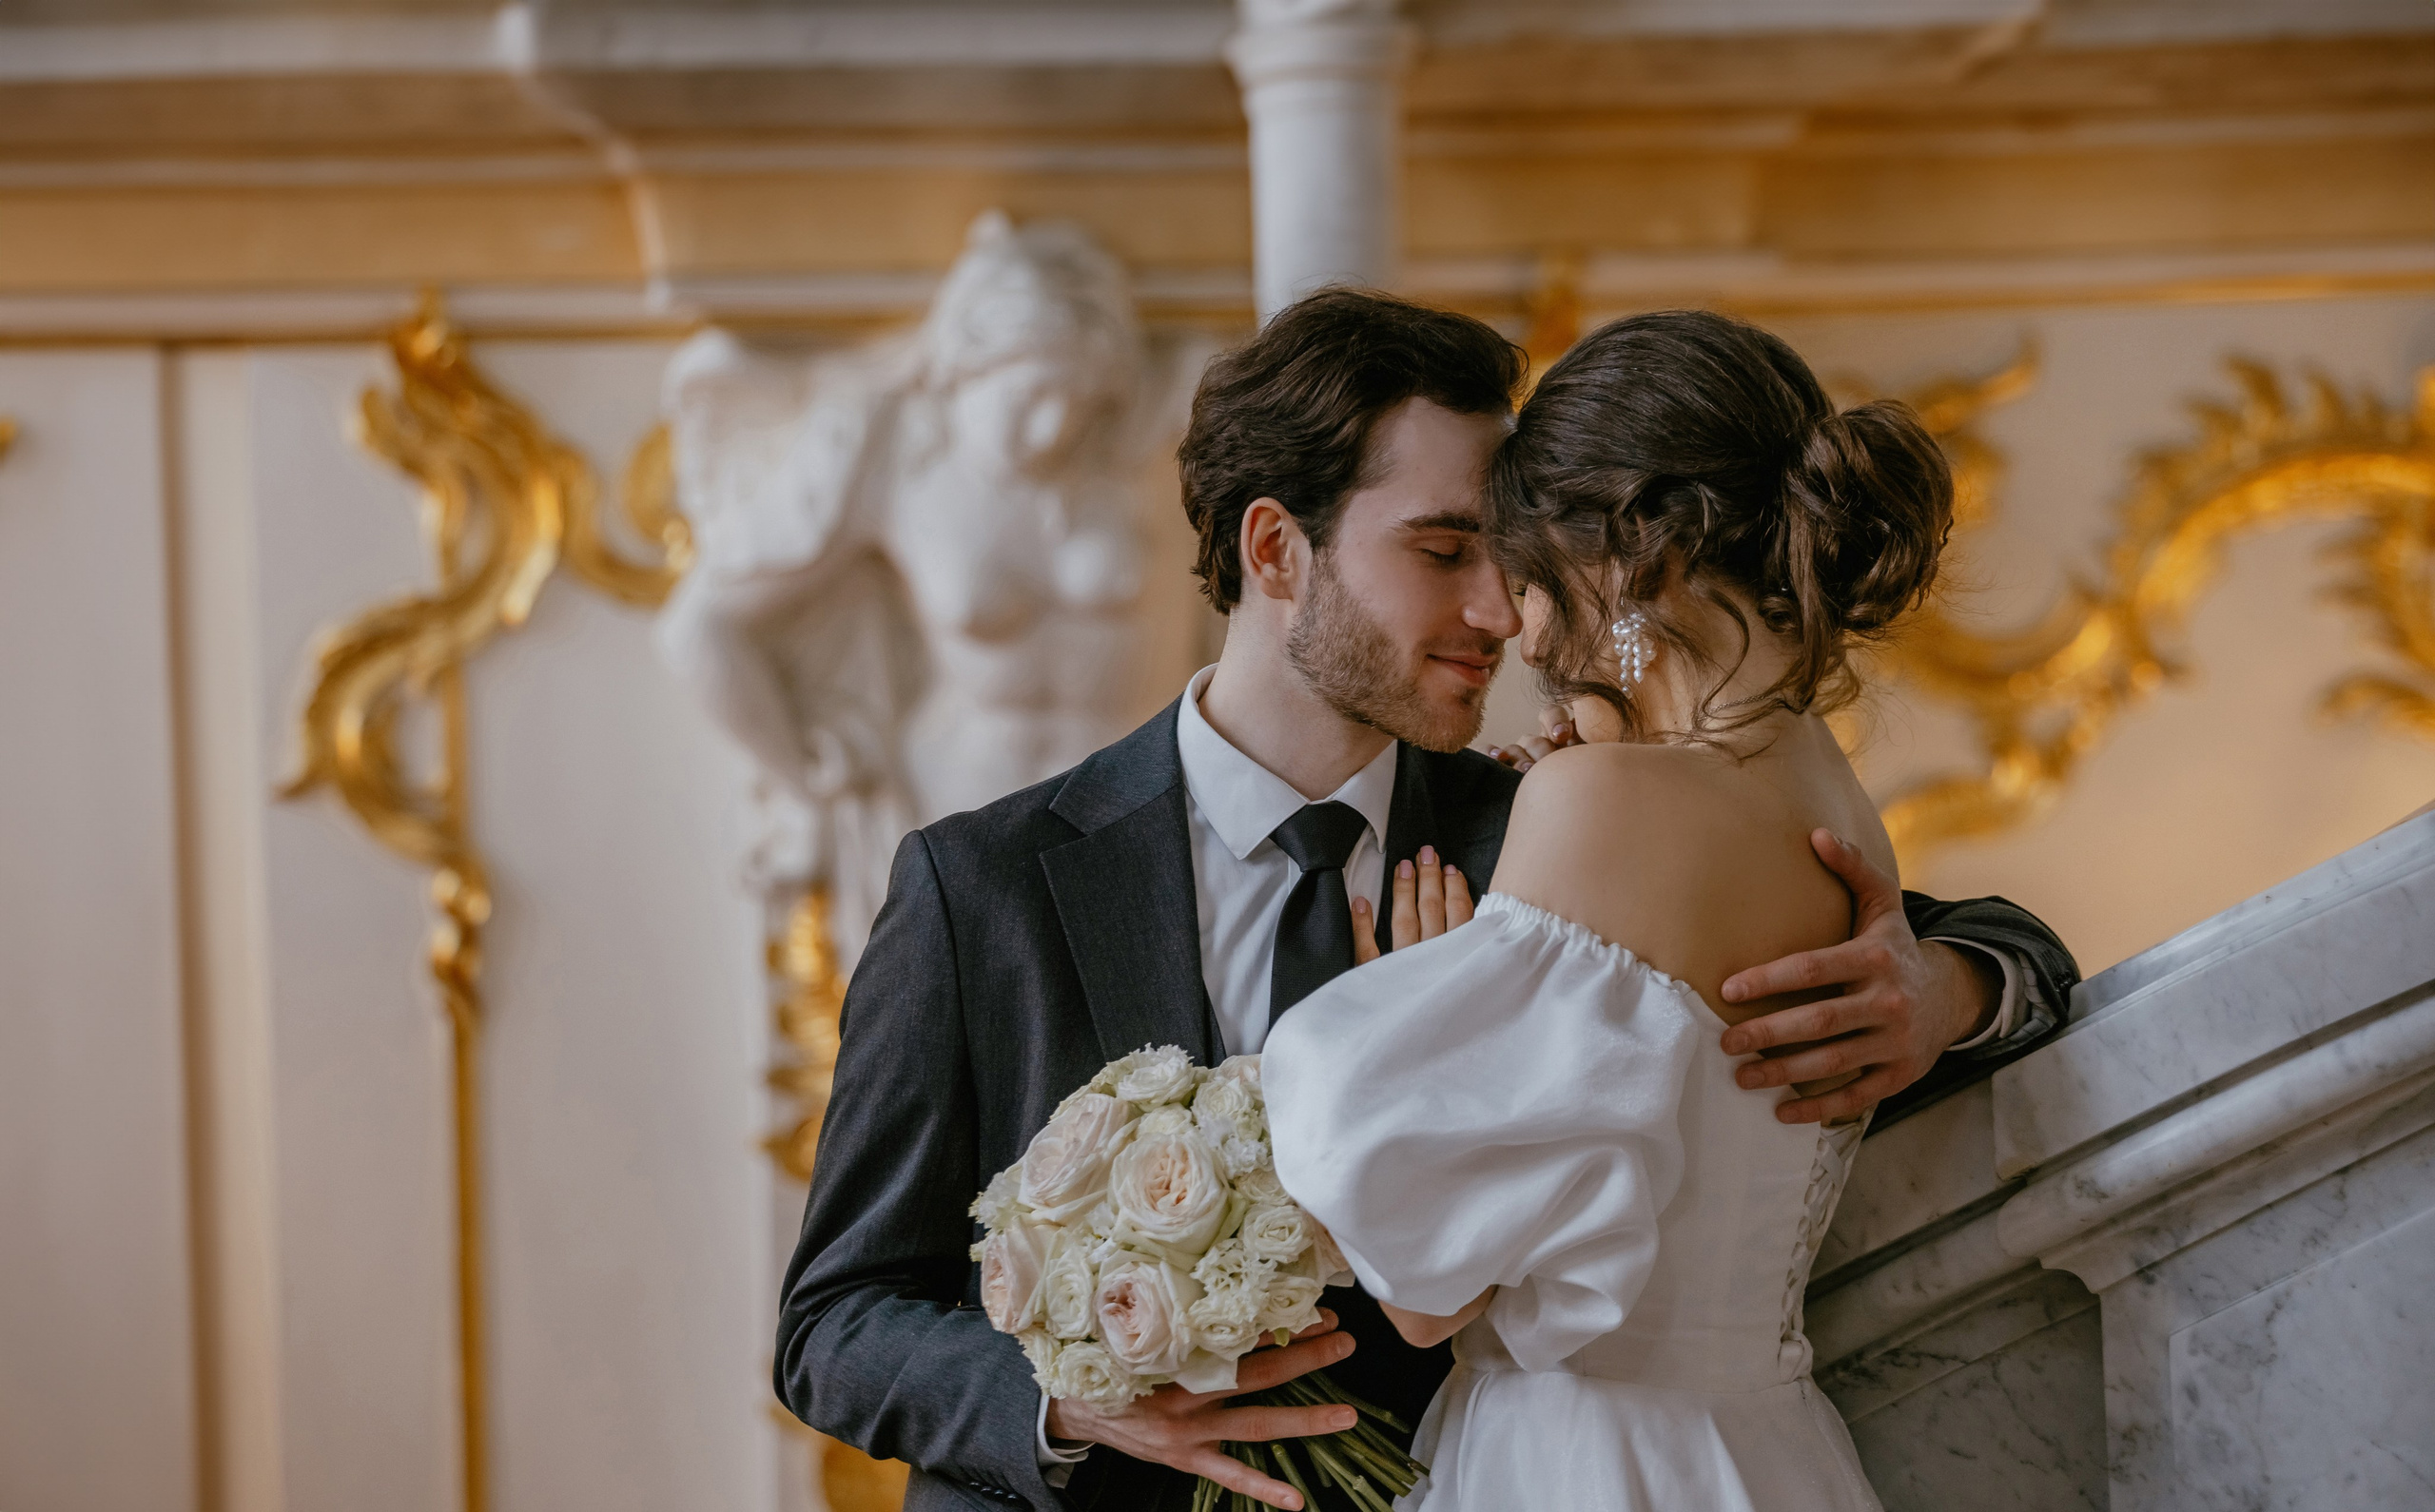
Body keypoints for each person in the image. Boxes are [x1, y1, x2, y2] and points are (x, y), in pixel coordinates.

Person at [774, 291, 2077, 1511]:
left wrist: (1950, 991)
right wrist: (1075, 1397)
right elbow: (833, 1323)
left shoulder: (1558, 818)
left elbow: (1992, 943)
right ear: (1277, 548)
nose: (1504, 610)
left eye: (1510, 556)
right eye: (1446, 548)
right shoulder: (981, 884)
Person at [1264, 307, 1977, 1509]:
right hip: (1761, 1442)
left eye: (1520, 565)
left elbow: (1426, 1296)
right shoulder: (1833, 792)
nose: (1517, 621)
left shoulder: (1596, 800)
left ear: (1625, 561)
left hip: (1579, 1457)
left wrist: (1429, 1013)